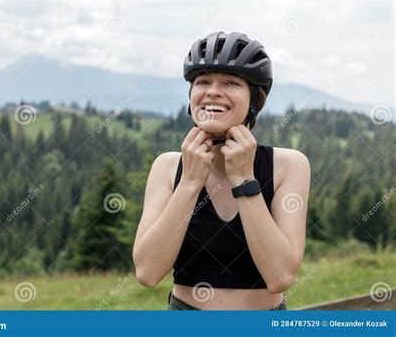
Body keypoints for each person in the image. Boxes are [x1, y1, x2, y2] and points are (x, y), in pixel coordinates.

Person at [133, 31, 311, 310]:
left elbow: (281, 276)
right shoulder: (167, 167)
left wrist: (243, 179)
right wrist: (190, 183)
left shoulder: (289, 165)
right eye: (202, 81)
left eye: (231, 82)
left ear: (255, 99)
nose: (213, 91)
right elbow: (147, 272)